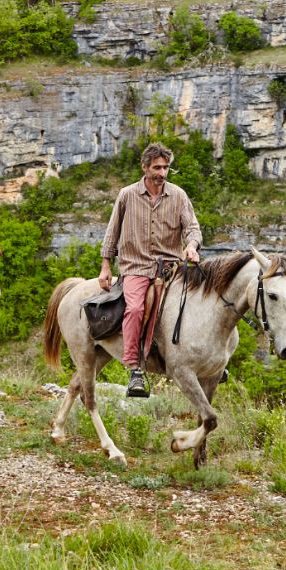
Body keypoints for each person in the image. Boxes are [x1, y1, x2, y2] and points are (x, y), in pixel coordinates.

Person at [99, 141, 202, 397]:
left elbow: (193, 228)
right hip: (136, 266)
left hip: (171, 266)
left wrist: (191, 245)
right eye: (157, 167)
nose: (162, 173)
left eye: (166, 167)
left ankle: (207, 360)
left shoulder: (178, 195)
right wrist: (105, 266)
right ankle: (135, 369)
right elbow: (112, 233)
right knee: (134, 309)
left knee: (200, 301)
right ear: (144, 167)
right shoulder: (127, 195)